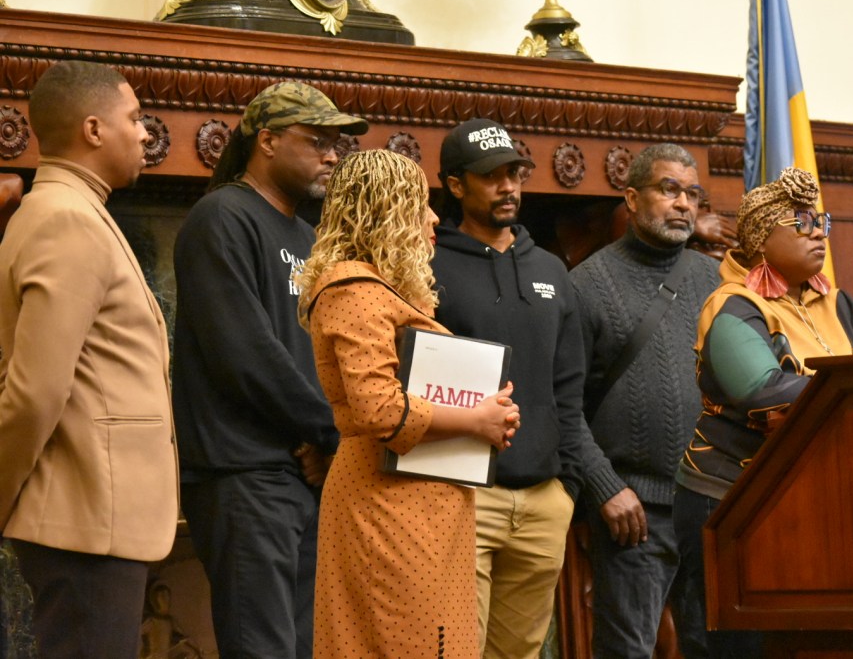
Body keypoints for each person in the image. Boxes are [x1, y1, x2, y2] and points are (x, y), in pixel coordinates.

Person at [296, 149, 520, 658]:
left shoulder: (384, 289)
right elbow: (379, 410)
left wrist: (491, 413)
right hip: (386, 504)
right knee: (405, 644)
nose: (435, 218)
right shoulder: (353, 288)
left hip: (421, 501)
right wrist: (475, 420)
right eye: (421, 205)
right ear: (386, 211)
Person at [172, 81, 367, 659]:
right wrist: (331, 430)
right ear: (268, 140)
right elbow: (246, 355)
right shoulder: (222, 217)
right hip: (244, 475)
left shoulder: (309, 236)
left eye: (337, 145)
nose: (331, 156)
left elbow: (321, 351)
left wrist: (326, 443)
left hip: (305, 473)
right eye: (317, 141)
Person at [0, 60, 178, 658]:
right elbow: (34, 394)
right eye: (135, 118)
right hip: (84, 522)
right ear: (94, 130)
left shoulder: (77, 211)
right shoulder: (67, 220)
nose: (145, 133)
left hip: (97, 520)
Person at [674, 166, 853, 658]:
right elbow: (761, 389)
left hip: (816, 495)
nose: (818, 234)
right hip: (733, 499)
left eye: (821, 222)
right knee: (742, 646)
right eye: (802, 224)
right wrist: (849, 389)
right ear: (761, 239)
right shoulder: (733, 306)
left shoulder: (839, 303)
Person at [432, 118, 586, 657]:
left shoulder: (551, 269)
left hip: (544, 501)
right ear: (456, 185)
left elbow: (570, 388)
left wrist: (566, 487)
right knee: (455, 652)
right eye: (492, 176)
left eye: (515, 174)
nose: (508, 187)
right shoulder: (428, 262)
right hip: (463, 496)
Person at [569, 143, 721, 659]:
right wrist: (605, 487)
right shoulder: (586, 284)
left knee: (720, 647)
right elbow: (563, 405)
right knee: (626, 650)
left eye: (692, 194)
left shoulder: (715, 280)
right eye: (669, 189)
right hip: (633, 511)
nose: (683, 204)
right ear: (632, 199)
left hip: (711, 506)